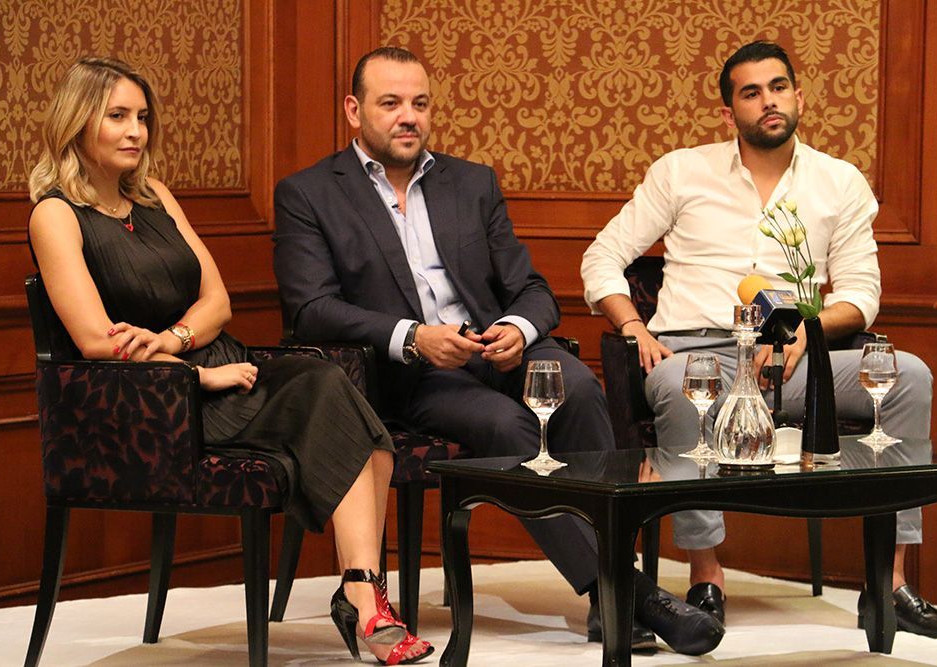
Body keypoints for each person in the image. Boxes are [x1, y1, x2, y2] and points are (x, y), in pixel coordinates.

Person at [272, 45, 725, 655]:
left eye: (420, 103)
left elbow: (531, 288)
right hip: (410, 373)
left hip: (495, 349)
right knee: (509, 426)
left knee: (578, 387)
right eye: (391, 103)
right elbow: (310, 308)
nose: (409, 117)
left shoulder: (470, 182)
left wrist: (516, 327)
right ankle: (623, 591)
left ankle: (611, 592)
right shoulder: (309, 193)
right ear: (354, 111)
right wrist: (413, 337)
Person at [27, 57, 434, 665]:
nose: (136, 131)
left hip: (214, 363)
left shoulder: (155, 197)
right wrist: (195, 374)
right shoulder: (55, 214)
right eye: (117, 117)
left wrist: (176, 339)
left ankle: (360, 589)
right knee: (338, 403)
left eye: (142, 117)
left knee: (343, 400)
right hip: (155, 398)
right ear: (77, 122)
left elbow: (217, 302)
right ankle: (365, 602)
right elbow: (94, 341)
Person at [581, 40, 937, 639]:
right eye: (751, 92)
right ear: (729, 111)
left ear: (799, 97)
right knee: (683, 385)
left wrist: (804, 333)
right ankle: (706, 577)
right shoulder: (680, 172)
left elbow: (861, 294)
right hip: (698, 354)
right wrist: (632, 324)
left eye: (779, 87)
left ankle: (887, 584)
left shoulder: (839, 182)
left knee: (907, 376)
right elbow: (602, 256)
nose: (768, 101)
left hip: (792, 355)